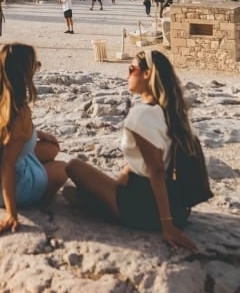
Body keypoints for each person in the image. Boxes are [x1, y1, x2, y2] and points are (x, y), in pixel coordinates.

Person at [65, 49, 198, 251]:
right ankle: (99, 203)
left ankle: (103, 206)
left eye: (132, 69)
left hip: (144, 204)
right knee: (75, 193)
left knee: (73, 167)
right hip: (179, 207)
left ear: (147, 74)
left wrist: (166, 224)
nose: (128, 75)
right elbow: (157, 161)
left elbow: (156, 170)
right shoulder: (173, 111)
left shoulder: (141, 115)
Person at [0, 43, 67, 236]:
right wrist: (11, 215)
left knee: (52, 148)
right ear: (23, 71)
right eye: (34, 65)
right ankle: (36, 198)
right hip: (6, 189)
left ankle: (35, 178)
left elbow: (1, 132)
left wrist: (37, 133)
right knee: (64, 168)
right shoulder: (18, 111)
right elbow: (7, 165)